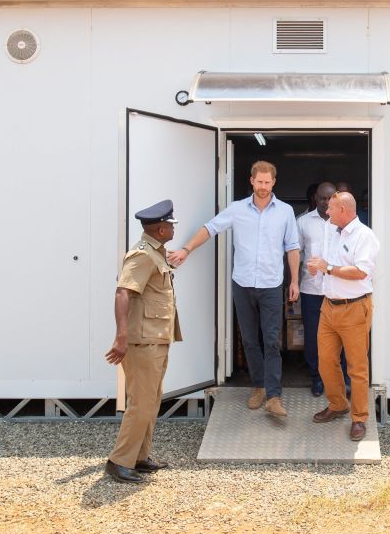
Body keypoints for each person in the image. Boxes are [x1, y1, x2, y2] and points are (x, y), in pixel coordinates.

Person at [167, 161, 299, 418]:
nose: (263, 187)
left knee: (271, 341)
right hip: (243, 284)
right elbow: (210, 228)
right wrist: (186, 249)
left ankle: (274, 396)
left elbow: (292, 247)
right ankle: (258, 387)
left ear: (274, 182)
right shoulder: (237, 209)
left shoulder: (285, 211)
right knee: (249, 340)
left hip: (272, 285)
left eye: (267, 182)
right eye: (259, 182)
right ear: (251, 181)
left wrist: (294, 281)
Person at [104, 199, 182, 484]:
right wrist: (121, 337)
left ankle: (139, 456)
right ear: (161, 229)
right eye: (170, 225)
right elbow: (122, 292)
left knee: (151, 401)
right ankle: (119, 461)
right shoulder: (142, 256)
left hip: (156, 338)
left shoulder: (156, 253)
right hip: (142, 341)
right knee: (140, 403)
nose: (173, 228)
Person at [305, 191, 380, 441]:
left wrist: (327, 268)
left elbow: (361, 272)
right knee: (325, 361)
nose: (326, 211)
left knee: (357, 368)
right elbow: (325, 261)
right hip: (329, 306)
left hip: (355, 308)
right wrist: (317, 267)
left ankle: (359, 418)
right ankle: (338, 405)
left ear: (345, 211)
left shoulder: (364, 236)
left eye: (331, 208)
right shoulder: (330, 228)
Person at [296, 182, 350, 396]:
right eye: (322, 198)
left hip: (340, 290)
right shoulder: (303, 223)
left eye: (330, 198)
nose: (326, 202)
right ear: (314, 199)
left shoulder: (346, 222)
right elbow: (295, 254)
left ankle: (344, 379)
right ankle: (317, 378)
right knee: (313, 338)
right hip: (312, 291)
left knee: (342, 337)